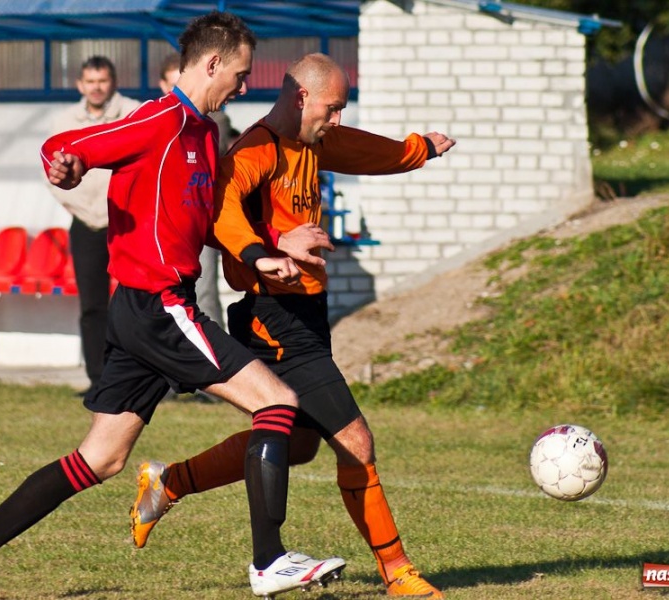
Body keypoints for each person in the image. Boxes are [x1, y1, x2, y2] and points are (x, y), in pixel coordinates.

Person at [0, 15, 345, 600]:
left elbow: (200, 226)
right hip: (158, 305)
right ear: (211, 65)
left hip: (142, 311)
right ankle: (268, 561)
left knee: (99, 460)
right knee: (277, 402)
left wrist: (269, 249)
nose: (246, 85)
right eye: (242, 73)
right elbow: (65, 147)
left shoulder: (204, 134)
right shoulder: (158, 119)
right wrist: (65, 166)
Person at [129, 52, 456, 598]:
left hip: (305, 313)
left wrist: (415, 151)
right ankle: (397, 570)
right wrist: (265, 249)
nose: (336, 119)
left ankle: (170, 482)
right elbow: (219, 210)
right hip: (271, 316)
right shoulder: (255, 149)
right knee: (355, 438)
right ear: (301, 97)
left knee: (299, 445)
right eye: (331, 108)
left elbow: (359, 148)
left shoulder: (313, 140)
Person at [49, 56, 140, 395]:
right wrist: (86, 209)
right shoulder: (63, 121)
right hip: (85, 224)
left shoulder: (134, 113)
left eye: (102, 80)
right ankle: (98, 381)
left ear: (113, 82)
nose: (96, 87)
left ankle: (138, 378)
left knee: (139, 301)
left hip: (128, 222)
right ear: (80, 85)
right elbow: (51, 175)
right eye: (90, 81)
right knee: (92, 306)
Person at [158, 52, 225, 328]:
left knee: (204, 291)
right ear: (163, 85)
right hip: (166, 223)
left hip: (199, 219)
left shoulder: (213, 122)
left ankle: (221, 363)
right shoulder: (156, 117)